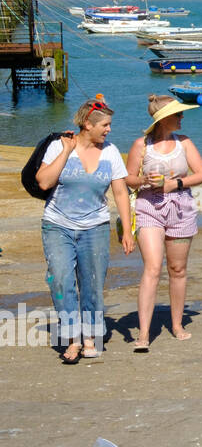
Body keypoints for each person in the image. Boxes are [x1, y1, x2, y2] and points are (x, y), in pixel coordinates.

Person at [35, 97, 135, 363]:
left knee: (92, 284)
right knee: (61, 281)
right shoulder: (59, 146)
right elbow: (43, 182)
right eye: (105, 125)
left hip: (95, 227)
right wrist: (67, 152)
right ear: (87, 125)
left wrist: (127, 229)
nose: (109, 130)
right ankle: (72, 339)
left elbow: (120, 192)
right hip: (58, 225)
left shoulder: (111, 151)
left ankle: (90, 336)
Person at [124, 94, 202, 352]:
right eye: (178, 114)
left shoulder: (184, 143)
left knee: (178, 268)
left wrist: (175, 183)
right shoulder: (141, 145)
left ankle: (177, 325)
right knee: (152, 267)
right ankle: (144, 333)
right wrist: (144, 181)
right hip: (149, 207)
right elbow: (128, 179)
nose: (182, 118)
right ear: (164, 119)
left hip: (181, 208)